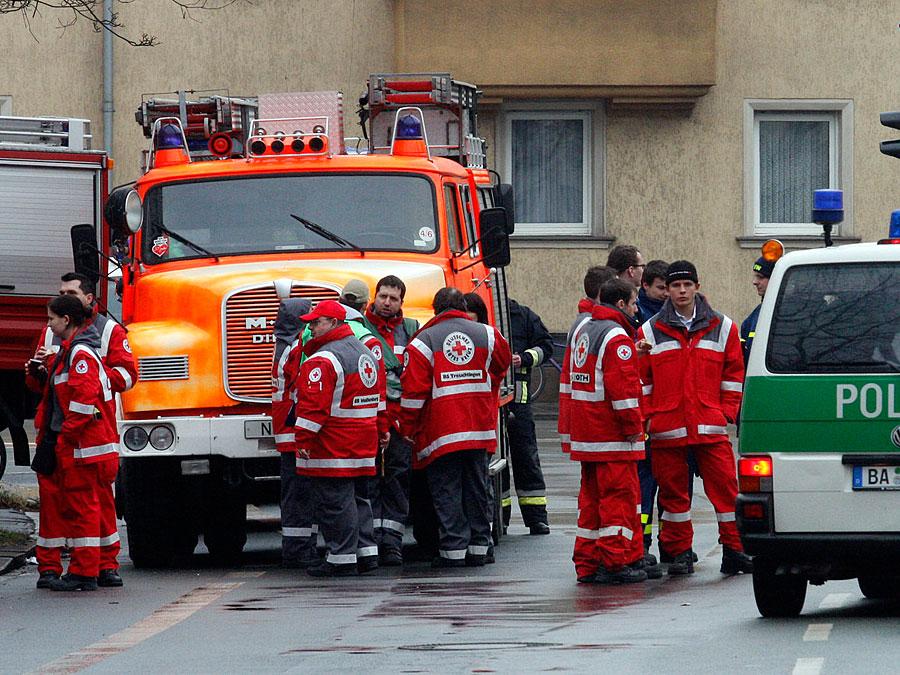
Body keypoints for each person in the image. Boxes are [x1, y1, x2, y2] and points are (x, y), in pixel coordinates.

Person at [636, 261, 753, 576]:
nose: (682, 291)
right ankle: (678, 553)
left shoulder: (723, 326)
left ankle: (735, 550)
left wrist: (726, 411)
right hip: (667, 429)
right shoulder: (648, 331)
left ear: (697, 287)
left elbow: (733, 375)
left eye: (687, 285)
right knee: (674, 499)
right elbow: (641, 380)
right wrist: (648, 418)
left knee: (727, 492)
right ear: (668, 291)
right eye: (675, 286)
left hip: (710, 426)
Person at [25, 273, 135, 589]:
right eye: (61, 292)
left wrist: (93, 380)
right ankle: (51, 566)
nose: (64, 296)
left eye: (70, 293)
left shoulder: (107, 333)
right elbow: (42, 386)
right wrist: (40, 372)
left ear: (87, 299)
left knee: (93, 504)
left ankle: (102, 565)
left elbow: (127, 376)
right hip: (57, 432)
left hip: (85, 436)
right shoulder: (51, 334)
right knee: (55, 503)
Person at [399, 288, 511, 567]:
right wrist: (486, 389)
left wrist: (408, 429)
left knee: (447, 491)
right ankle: (479, 548)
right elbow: (502, 364)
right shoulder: (486, 333)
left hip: (442, 432)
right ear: (462, 306)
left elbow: (414, 393)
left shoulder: (422, 342)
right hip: (479, 427)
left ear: (436, 309)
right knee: (477, 488)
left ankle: (453, 550)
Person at [292, 300, 385, 577]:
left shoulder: (324, 359)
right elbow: (379, 397)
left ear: (333, 323)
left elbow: (313, 408)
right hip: (363, 440)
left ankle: (341, 558)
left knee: (335, 502)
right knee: (359, 498)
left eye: (316, 322)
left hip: (334, 443)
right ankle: (367, 553)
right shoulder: (365, 353)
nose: (311, 327)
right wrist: (382, 429)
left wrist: (303, 440)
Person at [568, 279, 649, 583]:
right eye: (633, 303)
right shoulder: (616, 336)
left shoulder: (586, 329)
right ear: (620, 305)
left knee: (590, 503)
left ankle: (588, 562)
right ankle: (616, 561)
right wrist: (634, 428)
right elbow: (623, 392)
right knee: (618, 500)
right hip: (612, 436)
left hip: (588, 435)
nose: (636, 308)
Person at [364, 275, 419, 565]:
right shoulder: (361, 328)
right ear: (375, 296)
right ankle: (371, 541)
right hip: (369, 417)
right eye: (383, 296)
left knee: (397, 479)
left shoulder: (410, 330)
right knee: (369, 479)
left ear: (401, 302)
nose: (386, 303)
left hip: (399, 419)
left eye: (393, 298)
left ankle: (392, 543)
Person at [270, 297, 316, 568]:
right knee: (301, 496)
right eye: (308, 315)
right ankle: (300, 551)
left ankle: (295, 548)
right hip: (295, 433)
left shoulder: (282, 347)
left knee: (294, 494)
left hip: (286, 433)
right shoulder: (296, 349)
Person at [502, 299, 554, 534]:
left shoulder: (522, 315)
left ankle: (536, 518)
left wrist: (524, 358)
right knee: (497, 464)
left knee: (526, 458)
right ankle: (500, 516)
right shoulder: (478, 311)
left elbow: (545, 346)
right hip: (492, 405)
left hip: (519, 403)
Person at [558, 266, 616, 455]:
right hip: (594, 415)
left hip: (584, 412)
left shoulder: (584, 321)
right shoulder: (592, 325)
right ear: (602, 293)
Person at [740, 254, 775, 365]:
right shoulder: (754, 317)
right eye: (755, 276)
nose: (754, 282)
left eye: (760, 277)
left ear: (775, 278)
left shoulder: (787, 313)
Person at [607, 245, 646, 315]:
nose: (644, 271)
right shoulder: (619, 303)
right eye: (642, 266)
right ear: (631, 270)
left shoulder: (607, 296)